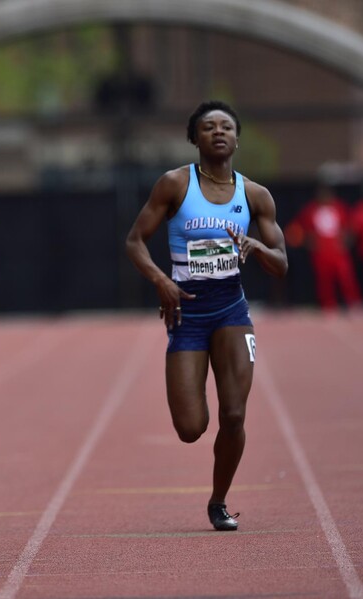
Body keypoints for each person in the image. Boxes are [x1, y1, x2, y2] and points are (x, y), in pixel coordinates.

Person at [125, 100, 288, 531]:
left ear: (237, 137)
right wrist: (162, 281)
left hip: (232, 310)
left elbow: (282, 262)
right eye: (209, 127)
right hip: (188, 314)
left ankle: (218, 502)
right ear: (194, 137)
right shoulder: (175, 185)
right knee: (191, 427)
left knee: (234, 415)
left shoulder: (254, 195)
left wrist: (257, 247)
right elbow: (135, 241)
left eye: (226, 126)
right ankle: (203, 449)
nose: (218, 132)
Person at [284, 182, 363, 313]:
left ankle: (353, 302)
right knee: (324, 280)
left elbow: (351, 225)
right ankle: (328, 305)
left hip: (338, 250)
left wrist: (347, 240)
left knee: (346, 277)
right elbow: (297, 229)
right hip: (321, 251)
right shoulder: (310, 210)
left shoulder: (340, 208)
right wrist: (307, 241)